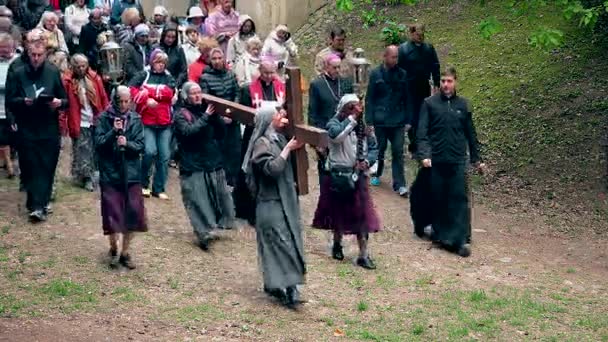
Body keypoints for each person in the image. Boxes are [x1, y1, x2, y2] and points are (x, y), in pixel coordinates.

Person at [242, 105, 306, 309]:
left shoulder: (280, 137)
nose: (283, 116)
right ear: (270, 119)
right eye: (278, 114)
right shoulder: (262, 143)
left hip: (285, 200)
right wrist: (287, 150)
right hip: (270, 203)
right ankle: (287, 288)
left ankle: (284, 285)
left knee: (289, 242)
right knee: (280, 244)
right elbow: (272, 169)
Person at [415, 66, 484, 257]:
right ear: (439, 83)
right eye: (443, 81)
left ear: (456, 82)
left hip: (457, 159)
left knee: (459, 198)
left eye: (449, 81)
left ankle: (461, 238)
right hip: (436, 160)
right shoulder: (429, 104)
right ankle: (442, 235)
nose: (446, 85)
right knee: (439, 198)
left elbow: (471, 134)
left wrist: (477, 159)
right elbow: (422, 133)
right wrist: (425, 155)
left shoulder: (463, 105)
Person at [312, 94, 380, 270]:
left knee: (362, 215)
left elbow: (373, 147)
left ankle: (363, 255)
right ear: (344, 108)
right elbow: (336, 137)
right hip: (339, 175)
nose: (355, 111)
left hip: (358, 175)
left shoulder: (363, 126)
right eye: (351, 107)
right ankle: (337, 244)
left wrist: (367, 161)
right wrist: (352, 119)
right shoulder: (334, 123)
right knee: (338, 214)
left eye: (357, 107)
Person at [6, 38, 67, 222]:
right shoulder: (18, 73)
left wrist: (58, 103)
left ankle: (43, 201)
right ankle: (35, 205)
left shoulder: (53, 72)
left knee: (47, 165)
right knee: (30, 165)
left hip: (48, 126)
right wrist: (23, 102)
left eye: (39, 55)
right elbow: (10, 100)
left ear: (45, 55)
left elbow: (65, 101)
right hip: (27, 126)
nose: (36, 58)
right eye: (33, 54)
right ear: (27, 54)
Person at [174, 82, 235, 250]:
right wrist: (206, 117)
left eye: (199, 93)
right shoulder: (181, 114)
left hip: (212, 160)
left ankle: (216, 226)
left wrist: (217, 118)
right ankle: (203, 234)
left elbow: (221, 133)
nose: (197, 96)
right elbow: (188, 132)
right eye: (193, 93)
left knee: (219, 196)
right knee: (197, 199)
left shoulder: (207, 110)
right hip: (192, 163)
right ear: (186, 96)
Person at [95, 85, 147, 269]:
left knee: (133, 213)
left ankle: (125, 252)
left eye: (127, 101)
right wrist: (112, 133)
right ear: (114, 100)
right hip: (110, 172)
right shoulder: (103, 118)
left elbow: (141, 145)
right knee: (113, 214)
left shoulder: (136, 119)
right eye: (121, 101)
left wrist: (128, 143)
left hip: (131, 173)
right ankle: (113, 248)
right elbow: (99, 144)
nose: (124, 105)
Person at [234, 60, 285, 225]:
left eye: (272, 73)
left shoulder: (281, 87)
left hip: (275, 132)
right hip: (254, 132)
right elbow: (244, 112)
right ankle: (248, 209)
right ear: (260, 71)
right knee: (251, 167)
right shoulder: (247, 89)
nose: (269, 77)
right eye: (266, 73)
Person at [366, 45, 413, 197]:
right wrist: (369, 121)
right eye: (393, 57)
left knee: (398, 152)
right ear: (385, 56)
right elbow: (370, 98)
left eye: (397, 57)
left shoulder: (402, 74)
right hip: (381, 120)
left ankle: (400, 184)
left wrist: (408, 119)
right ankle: (377, 173)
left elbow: (408, 98)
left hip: (398, 120)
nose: (395, 60)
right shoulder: (375, 74)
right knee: (380, 149)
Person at [129, 49, 175, 200]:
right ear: (152, 62)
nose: (160, 65)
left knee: (165, 156)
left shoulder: (169, 77)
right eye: (157, 62)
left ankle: (159, 187)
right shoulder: (144, 74)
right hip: (147, 120)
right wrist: (145, 98)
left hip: (164, 122)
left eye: (163, 62)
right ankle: (143, 183)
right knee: (149, 152)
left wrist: (150, 92)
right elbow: (132, 90)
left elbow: (170, 93)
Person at [61, 54, 108, 191]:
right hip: (79, 120)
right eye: (78, 66)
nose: (81, 69)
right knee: (82, 150)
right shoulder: (67, 81)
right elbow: (64, 105)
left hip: (94, 118)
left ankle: (93, 174)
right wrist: (63, 123)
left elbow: (103, 97)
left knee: (94, 149)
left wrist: (105, 116)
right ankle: (85, 177)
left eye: (84, 66)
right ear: (73, 67)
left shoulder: (95, 78)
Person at [307, 53, 353, 184]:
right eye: (334, 67)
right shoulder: (317, 84)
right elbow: (312, 112)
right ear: (326, 66)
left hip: (343, 131)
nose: (337, 70)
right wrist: (315, 141)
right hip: (324, 132)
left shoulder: (345, 83)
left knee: (344, 169)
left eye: (339, 67)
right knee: (326, 172)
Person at [199, 47, 240, 187]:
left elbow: (236, 93)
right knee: (218, 151)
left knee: (233, 151)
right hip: (216, 121)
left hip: (232, 118)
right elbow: (206, 99)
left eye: (219, 58)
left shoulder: (231, 75)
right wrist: (220, 117)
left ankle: (232, 181)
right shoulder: (205, 78)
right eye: (214, 59)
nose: (217, 61)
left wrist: (232, 112)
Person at [398, 23, 440, 157]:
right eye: (418, 35)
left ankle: (423, 143)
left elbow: (435, 65)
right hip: (408, 88)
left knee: (424, 114)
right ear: (411, 34)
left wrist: (437, 82)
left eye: (422, 35)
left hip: (423, 86)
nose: (420, 37)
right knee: (411, 116)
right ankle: (413, 145)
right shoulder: (403, 50)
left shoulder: (428, 48)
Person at [0, 32, 17, 178]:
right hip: (0, 108)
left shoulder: (17, 62)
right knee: (2, 137)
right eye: (1, 48)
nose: (4, 51)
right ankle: (9, 165)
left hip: (15, 108)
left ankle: (10, 160)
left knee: (14, 137)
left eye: (6, 48)